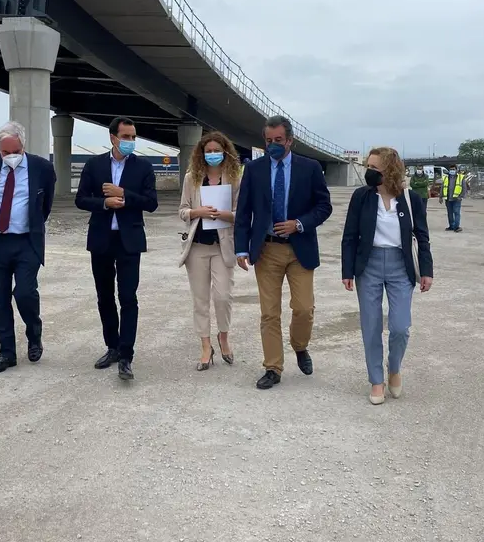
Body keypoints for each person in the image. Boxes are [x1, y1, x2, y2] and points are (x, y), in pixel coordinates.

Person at [234, 115, 333, 390]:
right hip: (266, 250)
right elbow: (243, 212)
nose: (273, 145)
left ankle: (300, 346)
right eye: (268, 141)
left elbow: (324, 206)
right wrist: (241, 247)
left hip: (299, 249)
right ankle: (273, 367)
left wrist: (299, 224)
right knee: (269, 313)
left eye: (278, 140)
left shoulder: (310, 168)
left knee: (303, 309)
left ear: (290, 140)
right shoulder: (254, 169)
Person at [341, 147, 433, 405]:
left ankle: (394, 368)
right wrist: (347, 270)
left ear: (389, 170)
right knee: (370, 326)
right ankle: (376, 380)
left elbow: (422, 236)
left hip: (399, 265)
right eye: (367, 167)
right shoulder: (361, 197)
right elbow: (349, 235)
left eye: (374, 168)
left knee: (400, 327)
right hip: (368, 265)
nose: (368, 172)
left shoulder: (410, 199)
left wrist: (426, 271)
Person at [75, 116, 158, 381]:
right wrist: (103, 203)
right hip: (101, 239)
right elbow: (80, 199)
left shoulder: (143, 167)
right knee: (104, 296)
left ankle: (126, 355)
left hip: (129, 241)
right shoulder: (94, 164)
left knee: (128, 297)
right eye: (126, 137)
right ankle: (111, 346)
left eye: (134, 137)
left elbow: (151, 203)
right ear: (113, 138)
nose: (131, 142)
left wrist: (124, 195)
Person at [0, 121, 57, 373]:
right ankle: (7, 352)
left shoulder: (42, 168)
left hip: (25, 243)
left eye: (16, 152)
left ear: (24, 145)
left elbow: (46, 205)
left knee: (24, 293)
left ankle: (34, 334)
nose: (11, 157)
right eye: (5, 153)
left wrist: (29, 225)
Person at [177, 131, 241, 371]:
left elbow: (242, 213)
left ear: (225, 152)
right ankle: (206, 347)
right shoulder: (192, 178)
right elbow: (182, 210)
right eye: (208, 151)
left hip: (222, 245)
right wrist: (197, 212)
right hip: (197, 247)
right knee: (200, 300)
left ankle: (223, 337)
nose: (212, 154)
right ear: (201, 154)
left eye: (217, 150)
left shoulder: (234, 179)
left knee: (223, 297)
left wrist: (225, 215)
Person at [441, 164, 469, 232]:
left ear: (456, 170)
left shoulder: (460, 177)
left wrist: (461, 196)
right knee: (450, 213)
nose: (452, 171)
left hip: (457, 199)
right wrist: (440, 196)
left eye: (453, 169)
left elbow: (464, 188)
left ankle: (457, 227)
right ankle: (451, 226)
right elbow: (442, 187)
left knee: (456, 212)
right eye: (451, 169)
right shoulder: (445, 177)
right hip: (448, 199)